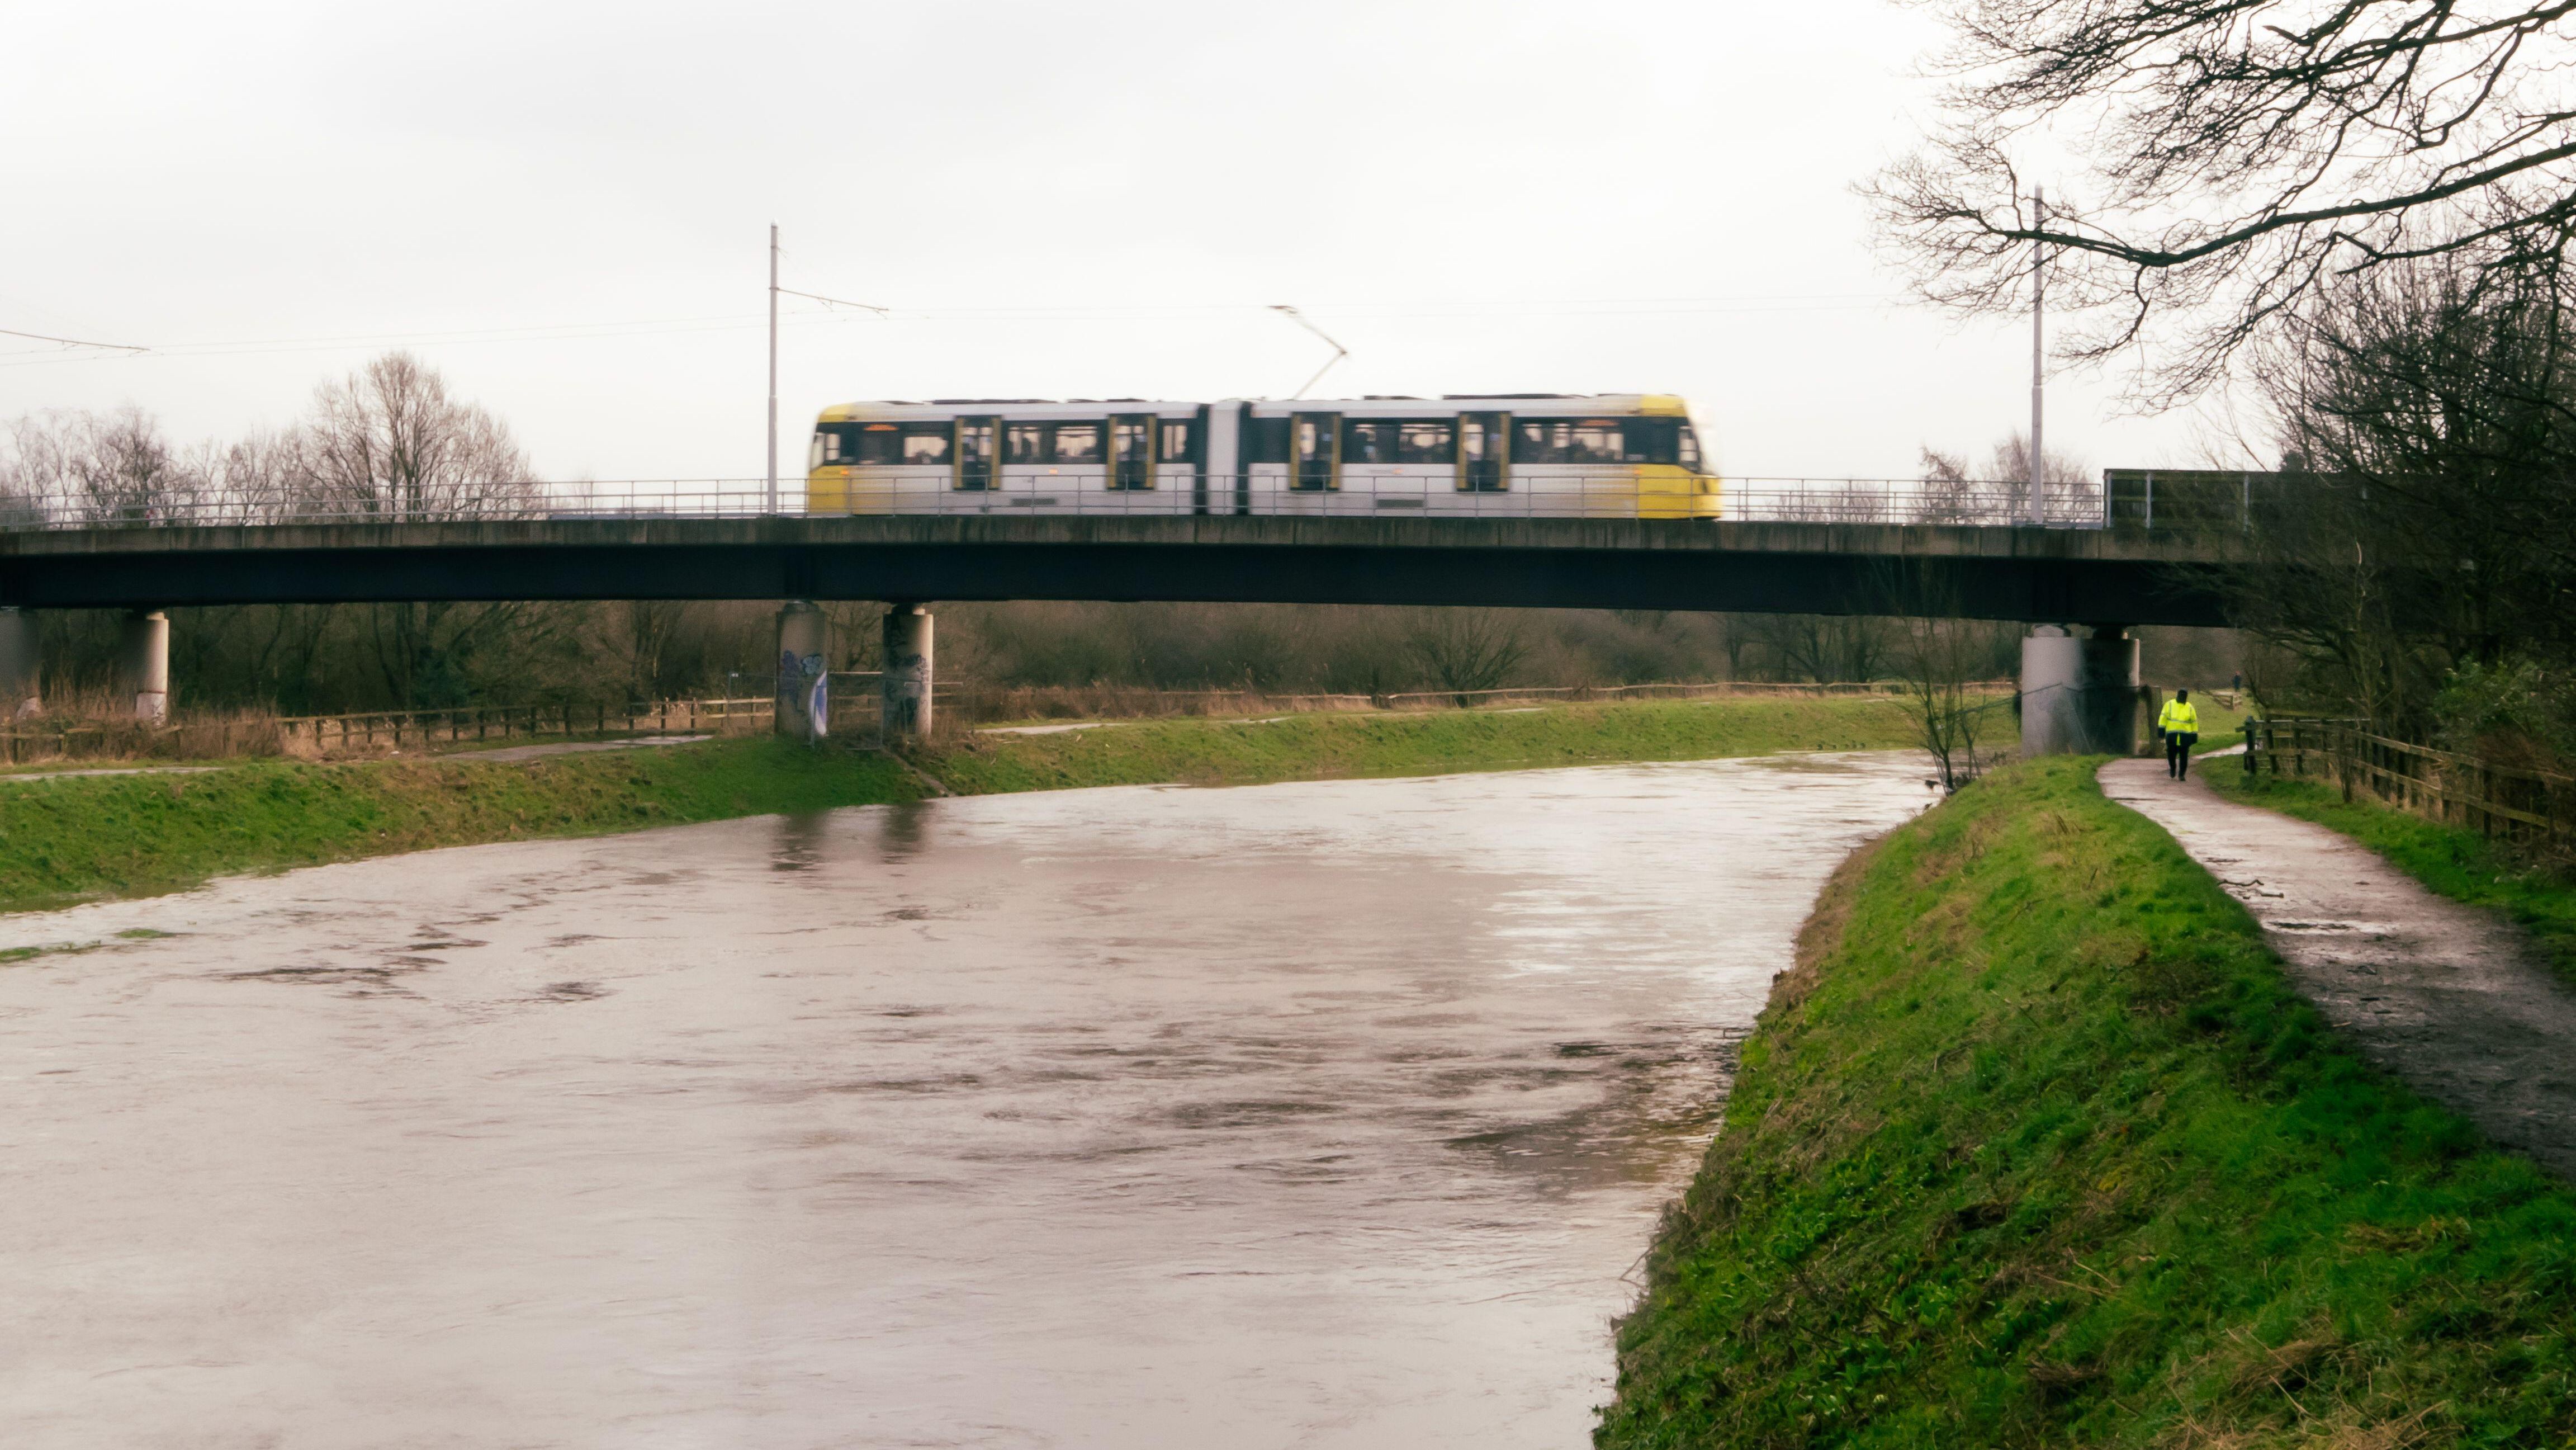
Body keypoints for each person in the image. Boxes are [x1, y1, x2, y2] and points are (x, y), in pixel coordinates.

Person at [2158, 689, 2201, 780]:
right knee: (2171, 755)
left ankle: (2182, 774)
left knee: (2184, 756)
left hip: (2185, 736)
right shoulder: (2170, 704)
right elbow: (2163, 717)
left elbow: (2194, 722)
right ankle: (2173, 769)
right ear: (2178, 695)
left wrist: (2194, 734)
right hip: (2172, 735)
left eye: (2184, 695)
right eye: (2181, 695)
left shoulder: (2190, 707)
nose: (2182, 697)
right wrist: (2161, 729)